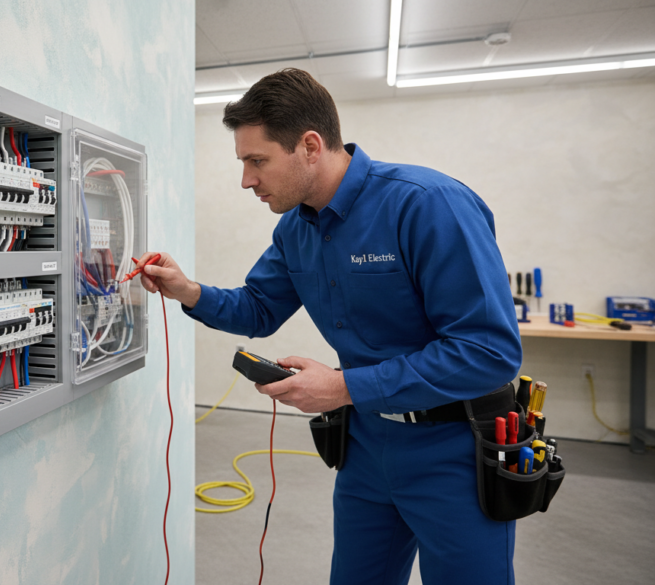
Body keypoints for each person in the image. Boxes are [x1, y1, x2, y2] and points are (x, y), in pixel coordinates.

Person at [137, 69, 522, 585]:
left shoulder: (426, 204)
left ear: (310, 146)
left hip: (454, 450)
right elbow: (258, 308)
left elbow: (487, 352)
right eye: (243, 162)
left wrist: (341, 386)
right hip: (365, 447)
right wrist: (187, 290)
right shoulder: (296, 228)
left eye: (257, 161)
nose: (246, 180)